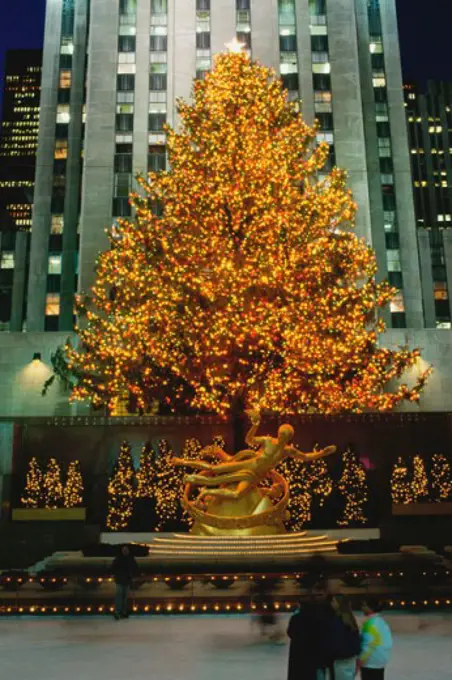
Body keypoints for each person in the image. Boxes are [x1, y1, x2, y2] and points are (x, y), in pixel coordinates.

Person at [287, 581, 336, 680]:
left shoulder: (298, 617)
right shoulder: (321, 614)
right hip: (313, 659)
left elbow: (291, 632)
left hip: (305, 659)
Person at [358, 598, 393, 680]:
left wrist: (360, 660)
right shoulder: (381, 622)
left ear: (370, 608)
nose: (361, 608)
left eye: (364, 606)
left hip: (370, 661)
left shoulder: (369, 624)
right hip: (381, 661)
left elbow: (368, 644)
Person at [330, 596, 361, 680]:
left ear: (339, 604)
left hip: (341, 659)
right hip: (351, 658)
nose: (331, 603)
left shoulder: (337, 621)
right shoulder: (351, 620)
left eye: (333, 601)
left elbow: (335, 641)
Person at [111, 544, 138, 620]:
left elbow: (135, 567)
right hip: (120, 580)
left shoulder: (130, 559)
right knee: (119, 596)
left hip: (126, 580)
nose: (125, 551)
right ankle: (117, 611)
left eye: (126, 550)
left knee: (125, 597)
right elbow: (113, 567)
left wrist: (134, 574)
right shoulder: (118, 559)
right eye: (124, 550)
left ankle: (123, 611)